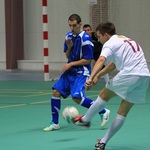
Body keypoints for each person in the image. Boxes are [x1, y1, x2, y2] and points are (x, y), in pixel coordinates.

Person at [72, 22, 150, 150]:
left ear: (106, 35)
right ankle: (102, 142)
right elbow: (113, 65)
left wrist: (90, 77)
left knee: (104, 95)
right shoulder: (124, 40)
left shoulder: (109, 43)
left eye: (99, 36)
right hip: (144, 77)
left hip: (130, 74)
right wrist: (97, 75)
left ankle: (85, 120)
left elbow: (101, 60)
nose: (98, 39)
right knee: (122, 113)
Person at [43, 14, 110, 132]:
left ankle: (103, 111)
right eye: (69, 25)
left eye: (74, 25)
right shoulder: (68, 36)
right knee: (56, 92)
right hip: (70, 72)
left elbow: (88, 60)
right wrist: (69, 47)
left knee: (77, 98)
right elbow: (68, 55)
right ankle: (55, 123)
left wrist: (71, 64)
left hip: (81, 72)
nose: (71, 28)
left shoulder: (86, 39)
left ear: (80, 24)